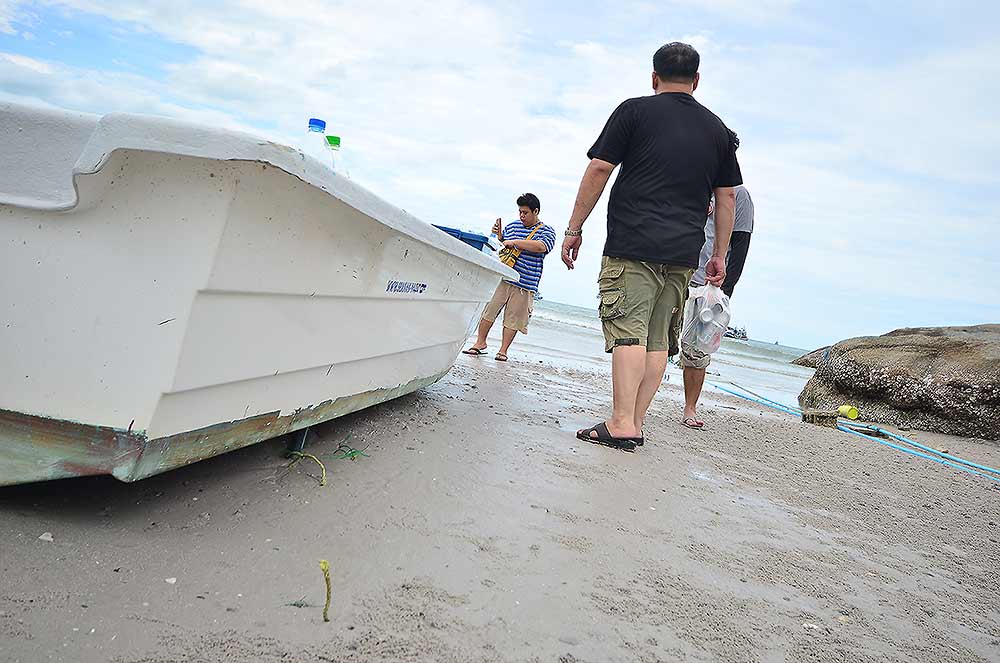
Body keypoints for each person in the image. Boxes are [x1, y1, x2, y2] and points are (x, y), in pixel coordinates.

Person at [560, 42, 742, 451]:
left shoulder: (634, 110)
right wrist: (719, 254)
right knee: (659, 337)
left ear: (654, 77)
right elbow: (727, 197)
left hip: (632, 243)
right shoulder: (717, 131)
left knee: (629, 331)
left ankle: (622, 422)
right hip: (682, 254)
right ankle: (635, 421)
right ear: (696, 80)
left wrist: (574, 227)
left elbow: (600, 167)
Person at [680, 185, 754, 429]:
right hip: (677, 271)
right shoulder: (692, 181)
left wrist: (724, 291)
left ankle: (690, 408)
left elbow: (741, 245)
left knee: (697, 350)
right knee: (658, 341)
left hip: (709, 285)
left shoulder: (739, 195)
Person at [463, 193, 556, 361]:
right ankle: (480, 343)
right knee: (488, 310)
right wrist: (499, 237)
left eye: (525, 213)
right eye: (520, 212)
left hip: (525, 282)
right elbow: (501, 246)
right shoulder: (513, 226)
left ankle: (503, 351)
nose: (521, 216)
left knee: (513, 319)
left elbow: (542, 247)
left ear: (536, 211)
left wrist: (515, 242)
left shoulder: (547, 231)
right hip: (503, 277)